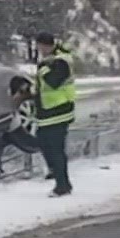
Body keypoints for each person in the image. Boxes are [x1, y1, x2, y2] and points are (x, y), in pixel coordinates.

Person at [32, 33, 77, 197]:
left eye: (41, 47)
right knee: (42, 140)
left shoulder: (61, 61)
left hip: (60, 109)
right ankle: (54, 170)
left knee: (56, 148)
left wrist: (43, 68)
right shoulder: (50, 60)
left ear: (47, 45)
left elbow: (53, 81)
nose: (40, 50)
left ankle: (62, 185)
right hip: (47, 110)